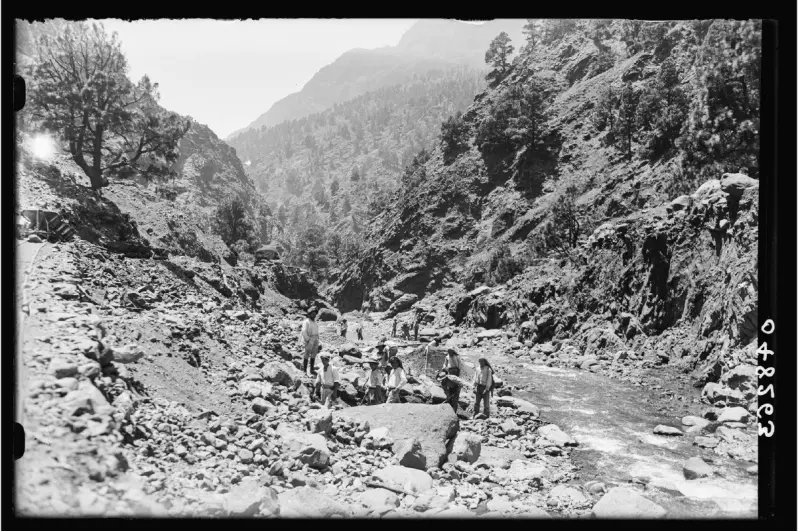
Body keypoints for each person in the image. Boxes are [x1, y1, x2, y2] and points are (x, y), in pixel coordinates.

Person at [440, 348, 462, 413]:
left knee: (455, 386)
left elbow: (459, 364)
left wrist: (458, 371)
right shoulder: (447, 357)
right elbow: (445, 364)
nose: (449, 353)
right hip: (450, 370)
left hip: (456, 370)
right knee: (450, 385)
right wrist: (444, 367)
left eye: (450, 351)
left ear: (453, 352)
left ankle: (454, 408)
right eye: (448, 352)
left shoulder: (457, 357)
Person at [300, 308, 320, 376]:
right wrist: (307, 339)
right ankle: (304, 371)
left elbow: (317, 330)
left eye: (315, 314)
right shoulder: (306, 321)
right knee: (307, 354)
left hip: (315, 338)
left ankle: (312, 369)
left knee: (314, 354)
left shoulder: (315, 322)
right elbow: (304, 331)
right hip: (310, 338)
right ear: (309, 314)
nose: (314, 315)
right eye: (313, 314)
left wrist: (317, 338)